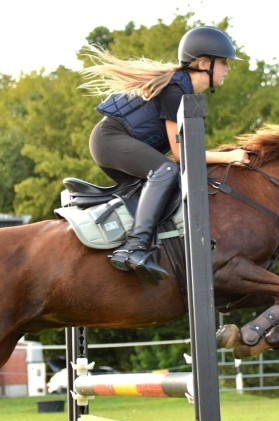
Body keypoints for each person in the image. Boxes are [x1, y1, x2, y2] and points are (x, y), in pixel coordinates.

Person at [80, 26, 248, 285]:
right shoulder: (175, 91)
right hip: (110, 140)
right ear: (203, 64)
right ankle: (134, 247)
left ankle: (147, 245)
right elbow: (181, 155)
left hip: (113, 141)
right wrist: (229, 157)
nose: (228, 68)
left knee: (169, 183)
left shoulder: (183, 91)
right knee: (166, 172)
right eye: (224, 62)